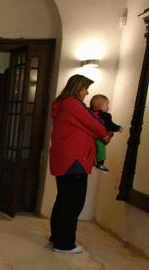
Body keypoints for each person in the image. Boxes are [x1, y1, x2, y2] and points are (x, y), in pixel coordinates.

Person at [49, 74, 109, 254]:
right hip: (74, 160)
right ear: (77, 88)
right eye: (85, 88)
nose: (87, 92)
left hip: (65, 159)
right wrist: (105, 134)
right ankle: (64, 244)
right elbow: (94, 125)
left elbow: (86, 126)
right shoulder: (72, 104)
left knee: (64, 199)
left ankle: (57, 237)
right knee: (73, 202)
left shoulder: (64, 104)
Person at [89, 94, 122, 173]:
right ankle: (100, 163)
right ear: (100, 106)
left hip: (89, 136)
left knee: (92, 148)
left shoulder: (89, 113)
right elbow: (110, 125)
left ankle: (93, 161)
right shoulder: (105, 115)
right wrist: (118, 128)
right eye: (107, 105)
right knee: (101, 147)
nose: (108, 107)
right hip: (99, 137)